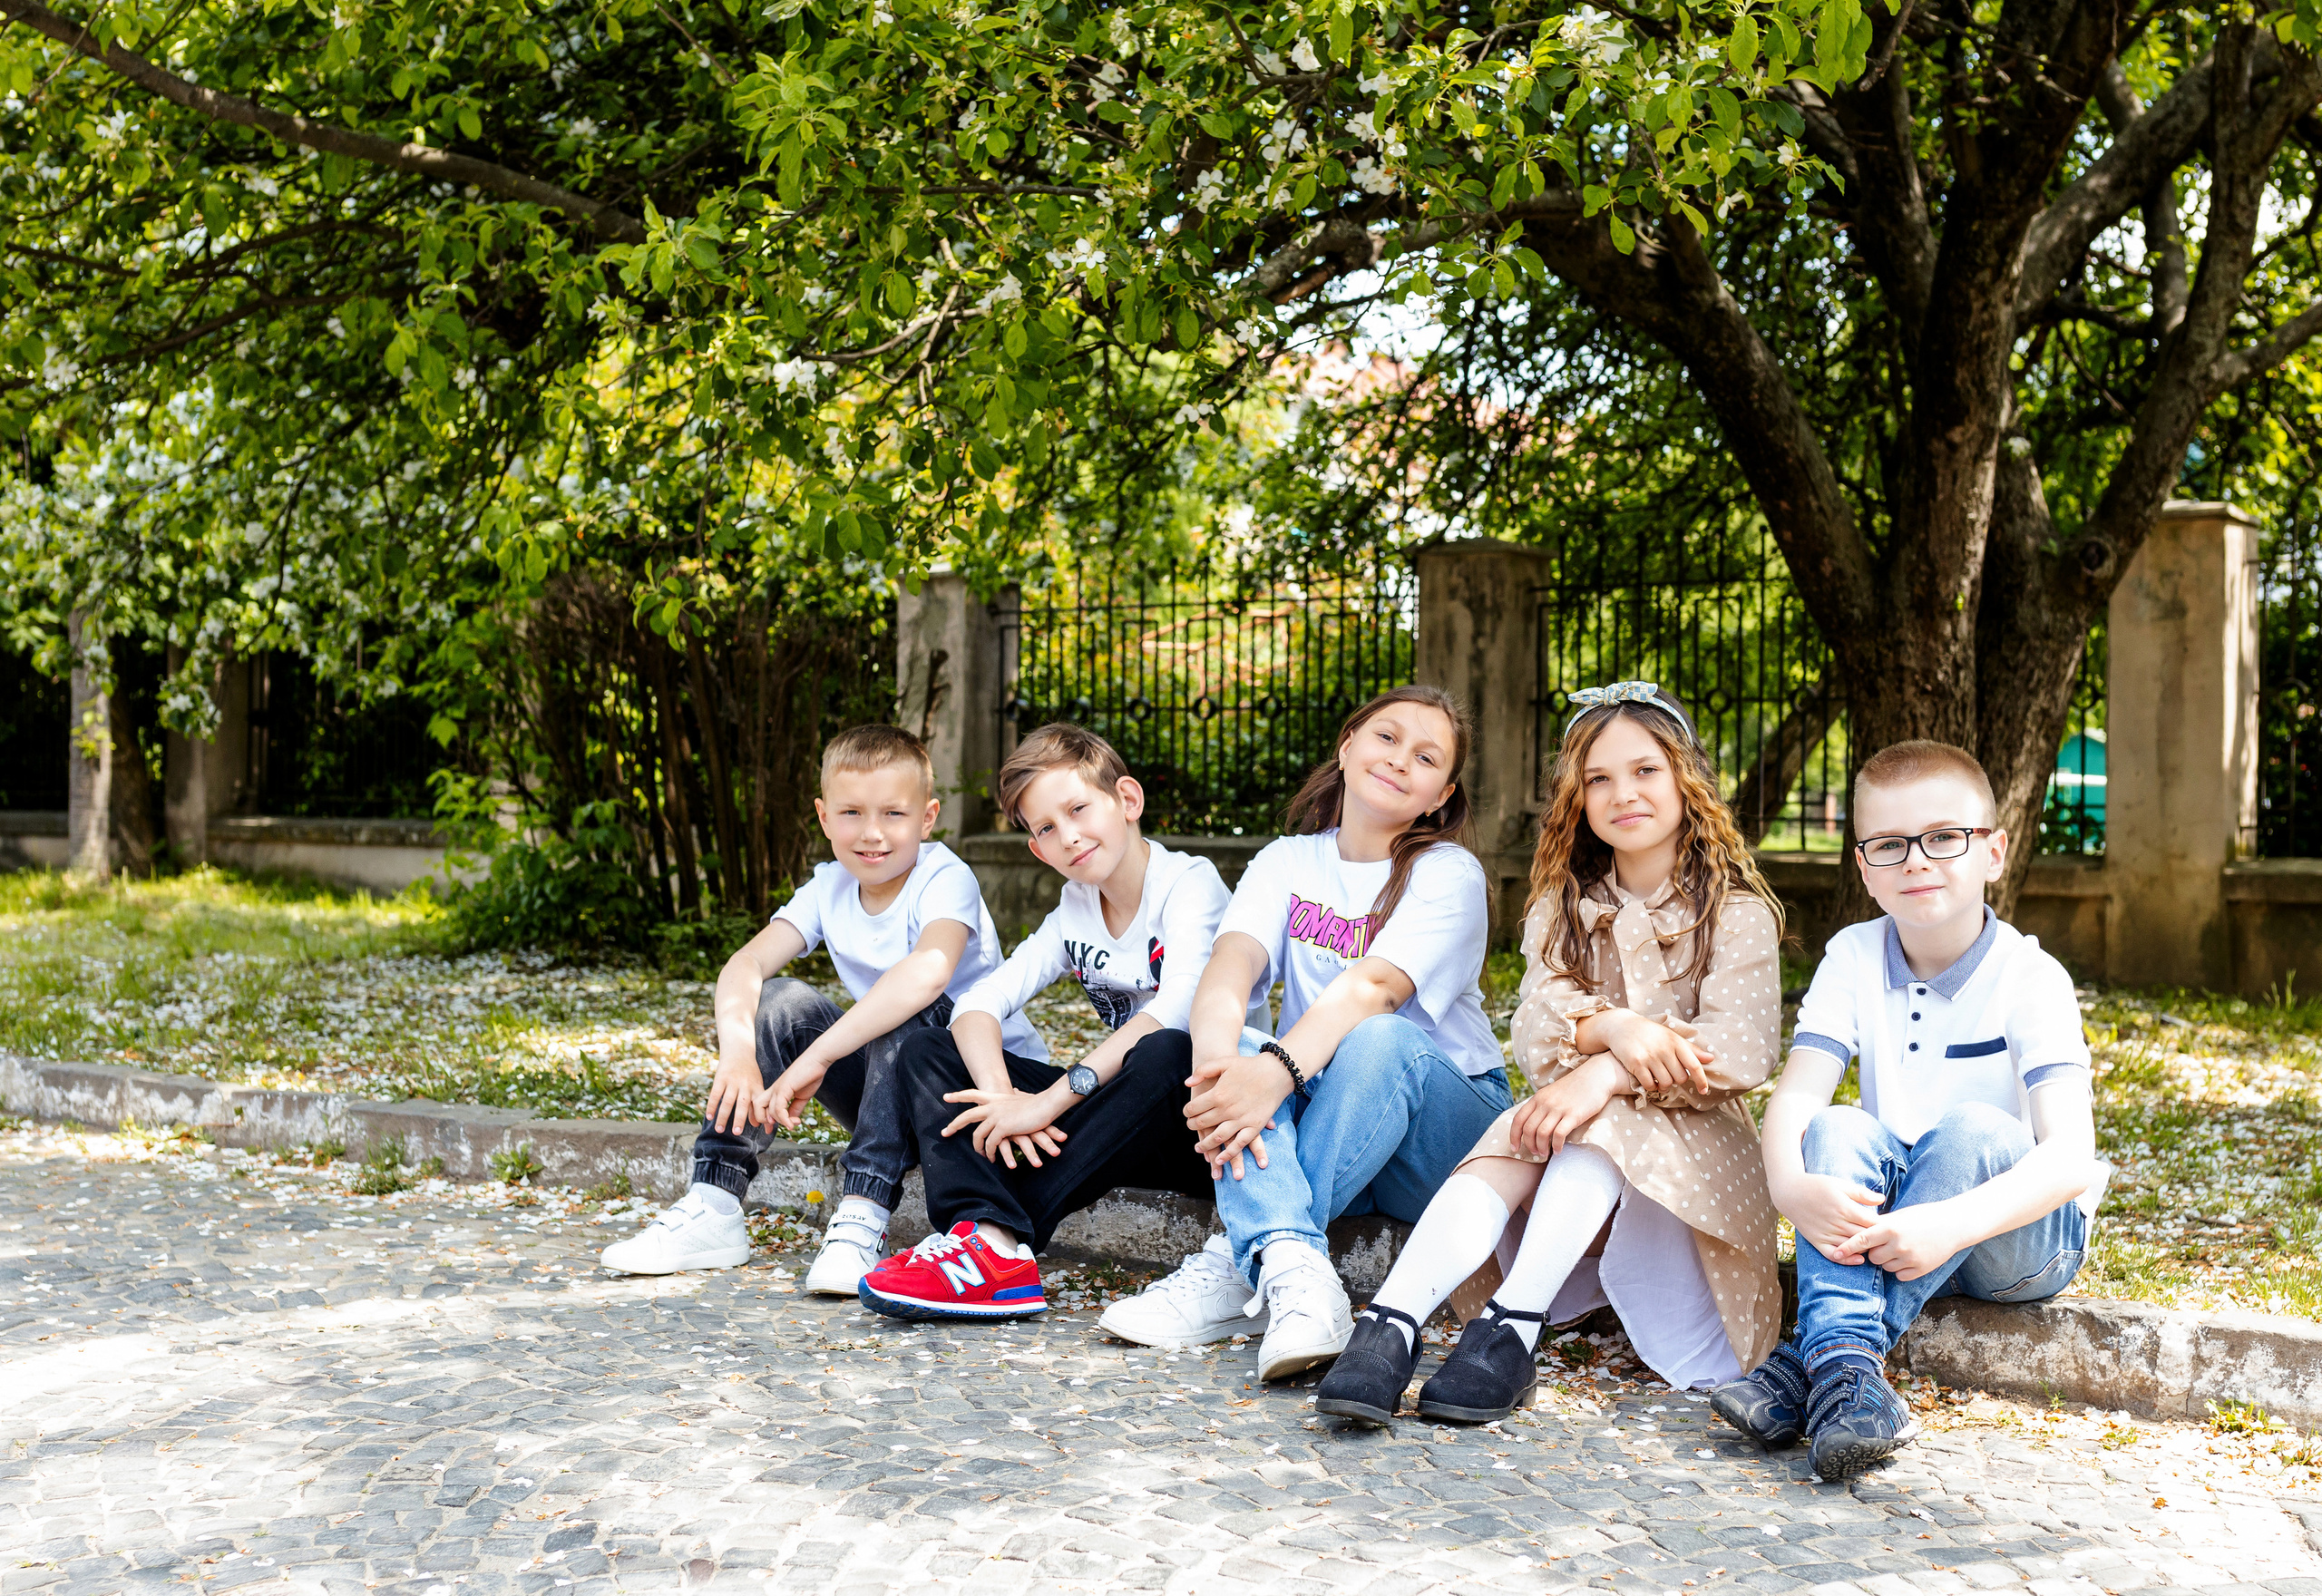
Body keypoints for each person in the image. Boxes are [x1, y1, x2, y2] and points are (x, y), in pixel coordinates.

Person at [1312, 682, 1786, 1425]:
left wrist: (1607, 1068)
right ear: (1578, 797)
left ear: (1686, 779)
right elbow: (1536, 1030)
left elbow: (1741, 1050)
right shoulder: (1561, 908)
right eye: (1599, 779)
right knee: (1529, 1125)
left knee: (1592, 1113)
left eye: (1646, 770)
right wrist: (1615, 1029)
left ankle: (1515, 1325)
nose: (1623, 793)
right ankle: (1392, 1321)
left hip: (1696, 1178)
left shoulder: (1738, 915)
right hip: (1575, 1156)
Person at [1712, 739, 2103, 1482]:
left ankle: (1808, 1364)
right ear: (1864, 868)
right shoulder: (1853, 955)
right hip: (1899, 1227)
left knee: (1973, 1127)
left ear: (1993, 852)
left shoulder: (2032, 977)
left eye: (1944, 837)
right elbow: (1798, 1094)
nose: (1917, 861)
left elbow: (2068, 1159)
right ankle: (1853, 1386)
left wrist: (1949, 1224)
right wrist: (1790, 1188)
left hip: (2016, 1237)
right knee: (1835, 1126)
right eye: (1890, 845)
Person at [1097, 685, 1510, 1381]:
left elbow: (1374, 990)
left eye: (1426, 757)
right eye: (1387, 737)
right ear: (1347, 747)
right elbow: (1229, 969)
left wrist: (1275, 1071)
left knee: (1377, 1038)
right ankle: (1296, 1276)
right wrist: (1216, 1078)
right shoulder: (1287, 861)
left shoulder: (1449, 873)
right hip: (1342, 1124)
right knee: (1239, 1051)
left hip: (1445, 1140)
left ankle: (1236, 1264)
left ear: (1440, 796)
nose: (1400, 759)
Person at [600, 723, 1045, 1286]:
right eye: (852, 812)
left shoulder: (944, 877)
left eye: (894, 813)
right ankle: (714, 1202)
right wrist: (737, 1055)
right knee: (778, 1002)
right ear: (824, 816)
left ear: (927, 818)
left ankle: (863, 1215)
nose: (872, 833)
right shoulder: (828, 886)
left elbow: (927, 974)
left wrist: (817, 1058)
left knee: (903, 1007)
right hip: (889, 1096)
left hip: (977, 1096)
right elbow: (745, 964)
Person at [857, 723, 1265, 1320]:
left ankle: (999, 1241)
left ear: (1127, 800)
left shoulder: (1188, 884)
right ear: (1037, 850)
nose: (1069, 836)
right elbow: (978, 1003)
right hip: (1118, 1124)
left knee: (1167, 1052)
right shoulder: (1074, 908)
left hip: (1203, 1127)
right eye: (1046, 828)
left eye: (1078, 809)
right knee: (927, 1050)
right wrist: (1002, 1099)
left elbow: (1178, 1007)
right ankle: (984, 1235)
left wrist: (1047, 1103)